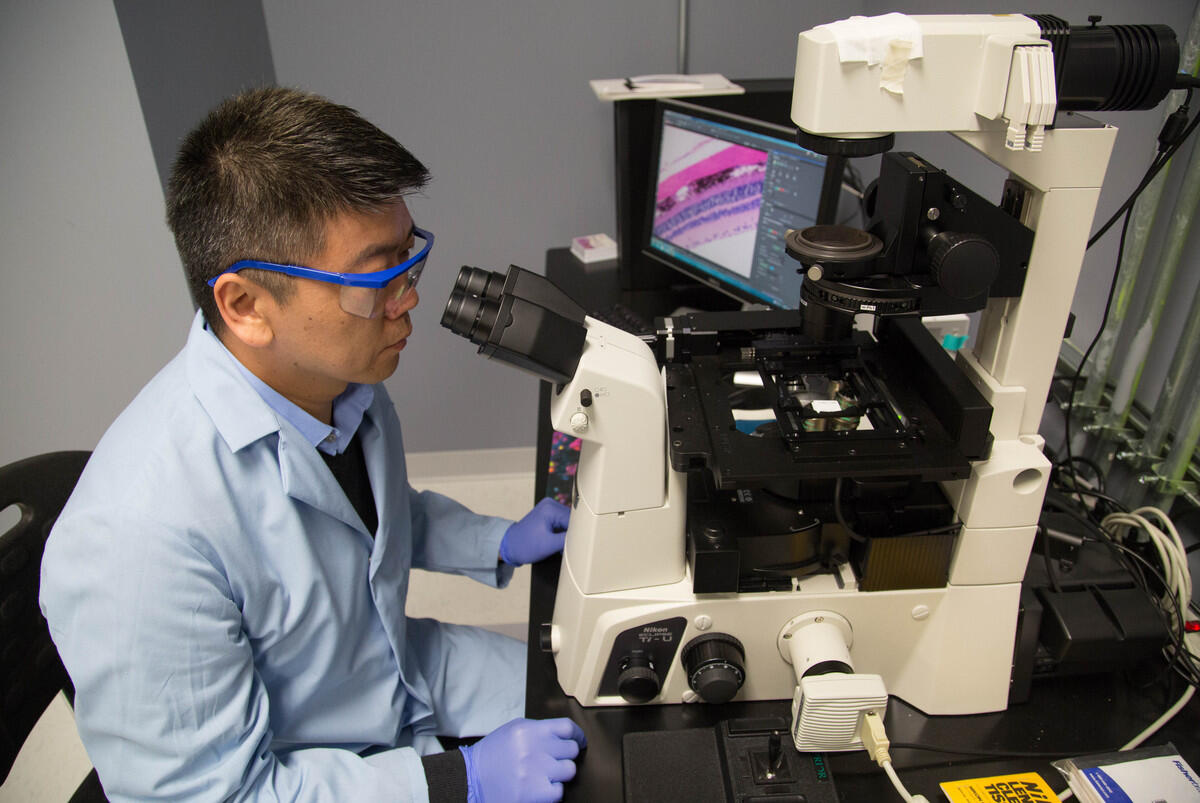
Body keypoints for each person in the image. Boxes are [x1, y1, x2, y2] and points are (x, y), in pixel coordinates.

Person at [40, 86, 586, 802]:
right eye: (376, 279)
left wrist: (498, 541)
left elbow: (372, 519)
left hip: (396, 676)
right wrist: (459, 780)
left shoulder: (335, 380)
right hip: (313, 765)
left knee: (601, 706)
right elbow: (212, 796)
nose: (409, 299)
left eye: (408, 258)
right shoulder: (137, 538)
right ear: (246, 305)